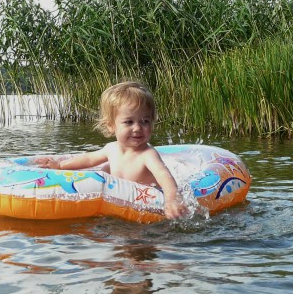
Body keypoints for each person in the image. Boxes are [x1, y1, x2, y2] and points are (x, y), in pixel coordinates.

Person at [35, 81, 187, 219]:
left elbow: (164, 176)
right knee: (105, 168)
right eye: (129, 122)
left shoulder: (147, 154)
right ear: (111, 125)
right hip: (119, 202)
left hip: (146, 206)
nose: (137, 128)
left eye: (145, 121)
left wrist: (172, 199)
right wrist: (60, 166)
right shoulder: (111, 149)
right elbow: (88, 159)